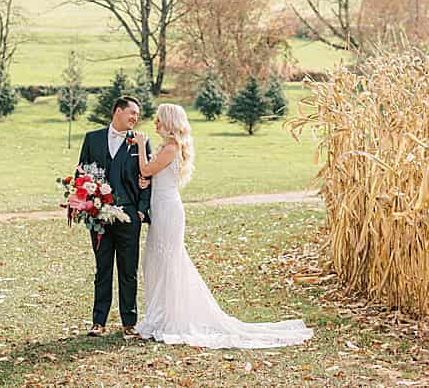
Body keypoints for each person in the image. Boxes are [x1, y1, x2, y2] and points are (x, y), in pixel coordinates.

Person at [134, 102, 313, 348]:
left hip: (168, 211)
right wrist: (148, 183)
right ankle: (161, 313)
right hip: (162, 206)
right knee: (158, 260)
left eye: (159, 120)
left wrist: (142, 147)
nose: (155, 124)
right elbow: (155, 176)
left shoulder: (171, 147)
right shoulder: (167, 147)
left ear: (169, 122)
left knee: (168, 260)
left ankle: (169, 317)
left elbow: (145, 169)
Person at [77, 96, 153, 337]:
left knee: (128, 269)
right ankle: (98, 322)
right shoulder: (92, 138)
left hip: (129, 216)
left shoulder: (140, 142)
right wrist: (86, 205)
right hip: (98, 215)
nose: (135, 118)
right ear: (117, 111)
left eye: (137, 115)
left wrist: (141, 210)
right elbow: (80, 173)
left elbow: (147, 178)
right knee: (103, 268)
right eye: (132, 113)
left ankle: (129, 322)